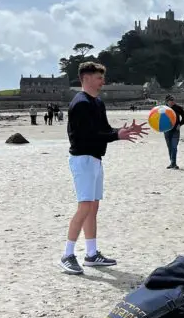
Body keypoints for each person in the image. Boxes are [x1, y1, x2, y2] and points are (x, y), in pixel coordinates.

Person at [60, 61, 147, 275]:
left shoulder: (97, 103)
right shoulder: (80, 103)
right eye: (99, 78)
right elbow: (86, 135)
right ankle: (67, 254)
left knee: (93, 207)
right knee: (85, 207)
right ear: (86, 78)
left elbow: (105, 130)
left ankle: (91, 254)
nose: (102, 82)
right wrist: (117, 135)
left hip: (96, 159)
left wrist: (122, 131)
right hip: (82, 159)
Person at [163, 94, 184, 170]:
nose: (173, 101)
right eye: (171, 100)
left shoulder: (178, 108)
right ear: (167, 101)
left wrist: (180, 124)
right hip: (166, 130)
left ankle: (173, 163)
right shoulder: (163, 108)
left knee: (174, 147)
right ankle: (172, 163)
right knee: (169, 147)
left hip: (175, 131)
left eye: (173, 100)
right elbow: (158, 118)